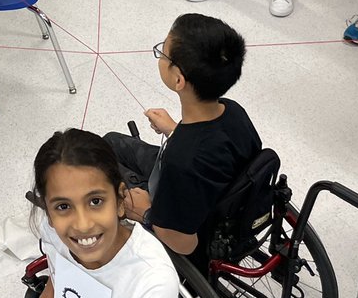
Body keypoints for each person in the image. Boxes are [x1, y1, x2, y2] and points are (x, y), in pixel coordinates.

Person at [104, 14, 261, 258]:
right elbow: (216, 148)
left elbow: (184, 244)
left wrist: (146, 212)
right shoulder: (233, 111)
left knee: (101, 163)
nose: (160, 57)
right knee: (111, 142)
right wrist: (176, 130)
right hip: (221, 194)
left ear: (179, 79)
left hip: (191, 222)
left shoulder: (182, 161)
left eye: (163, 53)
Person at [17, 128, 180, 298]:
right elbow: (59, 276)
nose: (83, 225)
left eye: (95, 201)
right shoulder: (52, 232)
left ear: (120, 200)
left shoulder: (151, 280)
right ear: (49, 213)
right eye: (63, 206)